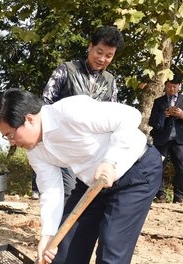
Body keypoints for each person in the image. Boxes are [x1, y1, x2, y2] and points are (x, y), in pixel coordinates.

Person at [0, 89, 162, 264]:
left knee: (112, 245)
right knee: (66, 238)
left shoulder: (71, 112)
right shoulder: (35, 150)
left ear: (29, 119)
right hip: (91, 181)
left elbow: (130, 116)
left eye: (10, 135)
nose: (11, 142)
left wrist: (111, 161)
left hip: (134, 172)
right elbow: (51, 189)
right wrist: (48, 234)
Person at [37, 25, 125, 202]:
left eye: (109, 56)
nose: (102, 59)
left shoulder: (110, 82)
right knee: (67, 193)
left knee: (91, 196)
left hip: (91, 149)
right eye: (99, 52)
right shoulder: (66, 70)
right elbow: (45, 104)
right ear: (90, 46)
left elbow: (113, 116)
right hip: (62, 145)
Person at [148, 76, 183, 203]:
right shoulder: (159, 101)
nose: (171, 89)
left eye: (174, 86)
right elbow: (151, 120)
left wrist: (182, 115)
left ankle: (179, 196)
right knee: (159, 167)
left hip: (178, 139)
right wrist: (164, 114)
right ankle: (160, 195)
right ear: (165, 86)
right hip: (161, 138)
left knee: (181, 167)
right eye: (169, 86)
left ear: (179, 86)